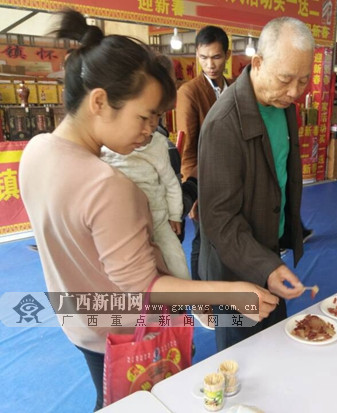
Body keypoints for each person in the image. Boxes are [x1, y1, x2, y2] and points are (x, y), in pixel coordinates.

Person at [18, 9, 278, 410]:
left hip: (78, 322)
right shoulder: (107, 186)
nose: (150, 130)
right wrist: (231, 292)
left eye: (157, 118)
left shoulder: (35, 152)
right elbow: (146, 289)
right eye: (145, 116)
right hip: (126, 333)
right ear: (100, 102)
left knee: (110, 398)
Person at [198, 17, 313, 351]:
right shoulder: (223, 123)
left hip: (267, 251)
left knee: (278, 346)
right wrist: (267, 266)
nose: (294, 91)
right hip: (233, 268)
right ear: (258, 63)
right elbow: (218, 220)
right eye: (286, 79)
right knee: (242, 361)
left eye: (303, 80)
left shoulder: (283, 105)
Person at [175, 25, 232, 281]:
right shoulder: (190, 92)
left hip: (232, 178)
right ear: (197, 55)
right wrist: (192, 188)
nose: (210, 64)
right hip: (203, 180)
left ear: (227, 55)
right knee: (202, 238)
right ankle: (200, 296)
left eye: (216, 57)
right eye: (203, 57)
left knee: (227, 235)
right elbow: (187, 147)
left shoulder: (235, 88)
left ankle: (224, 284)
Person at [100, 131, 191, 280]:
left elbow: (171, 183)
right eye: (142, 118)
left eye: (155, 117)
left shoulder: (158, 144)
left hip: (158, 220)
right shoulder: (106, 145)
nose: (148, 126)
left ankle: (183, 298)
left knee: (177, 261)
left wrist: (175, 215)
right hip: (126, 223)